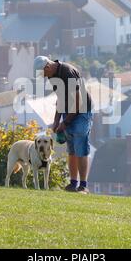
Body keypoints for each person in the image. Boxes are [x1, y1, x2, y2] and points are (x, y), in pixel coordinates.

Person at [34, 56, 93, 194]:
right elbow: (60, 99)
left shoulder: (68, 72)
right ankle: (73, 184)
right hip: (68, 110)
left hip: (82, 111)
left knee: (81, 147)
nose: (43, 77)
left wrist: (65, 123)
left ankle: (83, 186)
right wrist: (56, 121)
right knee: (71, 150)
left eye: (42, 73)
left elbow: (78, 102)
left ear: (47, 67)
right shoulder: (52, 75)